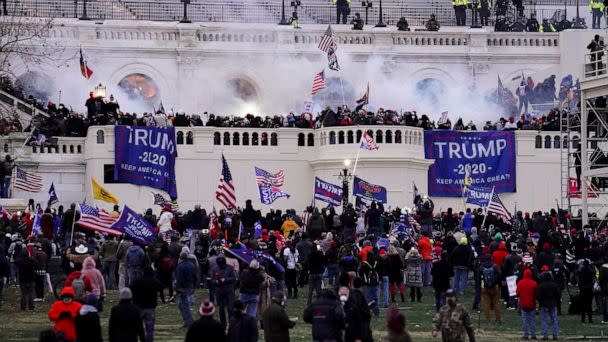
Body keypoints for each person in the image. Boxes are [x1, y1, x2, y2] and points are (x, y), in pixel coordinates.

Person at [130, 267, 163, 342]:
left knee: (135, 329)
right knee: (150, 330)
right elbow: (161, 287)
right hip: (150, 307)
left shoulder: (138, 281)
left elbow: (131, 287)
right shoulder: (154, 281)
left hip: (138, 307)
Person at [211, 254, 237, 327]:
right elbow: (212, 279)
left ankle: (231, 323)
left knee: (230, 308)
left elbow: (233, 279)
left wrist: (225, 280)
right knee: (221, 309)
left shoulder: (230, 268)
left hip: (229, 290)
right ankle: (223, 324)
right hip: (219, 291)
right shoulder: (215, 268)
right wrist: (215, 281)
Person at [536, 267, 560, 340]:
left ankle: (545, 335)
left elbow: (538, 296)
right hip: (553, 304)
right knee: (554, 320)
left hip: (544, 304)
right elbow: (558, 294)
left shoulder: (541, 286)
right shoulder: (554, 285)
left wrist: (540, 302)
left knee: (544, 320)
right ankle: (555, 335)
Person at [175, 251, 197, 327]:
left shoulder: (180, 266)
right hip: (190, 286)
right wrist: (194, 286)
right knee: (182, 304)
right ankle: (187, 320)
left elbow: (179, 278)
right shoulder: (192, 265)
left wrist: (176, 289)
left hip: (183, 287)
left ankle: (190, 321)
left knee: (184, 305)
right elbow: (195, 276)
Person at [517, 269, 538, 339]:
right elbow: (536, 294)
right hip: (532, 304)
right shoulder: (534, 283)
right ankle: (533, 335)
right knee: (532, 320)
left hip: (523, 304)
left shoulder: (520, 283)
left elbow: (517, 293)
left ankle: (526, 335)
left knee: (525, 320)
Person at [480, 254, 501, 323]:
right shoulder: (495, 266)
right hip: (494, 287)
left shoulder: (482, 267)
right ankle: (497, 319)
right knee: (496, 304)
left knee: (486, 304)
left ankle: (487, 319)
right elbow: (499, 274)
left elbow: (478, 276)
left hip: (485, 287)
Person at [359, 251, 380, 317]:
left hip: (367, 283)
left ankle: (368, 311)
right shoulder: (376, 263)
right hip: (375, 283)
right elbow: (380, 271)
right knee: (376, 297)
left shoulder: (364, 264)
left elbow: (360, 273)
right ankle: (376, 312)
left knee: (368, 298)